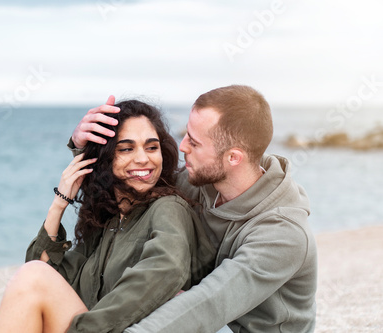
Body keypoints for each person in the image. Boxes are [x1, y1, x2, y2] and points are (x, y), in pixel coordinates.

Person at [69, 86, 318, 333]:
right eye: (186, 134)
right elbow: (128, 187)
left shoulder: (283, 234)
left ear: (233, 157)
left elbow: (210, 304)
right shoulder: (197, 183)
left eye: (195, 143)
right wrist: (86, 147)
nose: (182, 147)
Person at [0, 100, 215, 333]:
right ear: (105, 159)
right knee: (34, 275)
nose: (142, 159)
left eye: (151, 147)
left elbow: (167, 270)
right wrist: (59, 204)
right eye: (126, 148)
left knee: (33, 276)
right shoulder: (105, 224)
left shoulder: (167, 207)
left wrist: (87, 329)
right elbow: (44, 279)